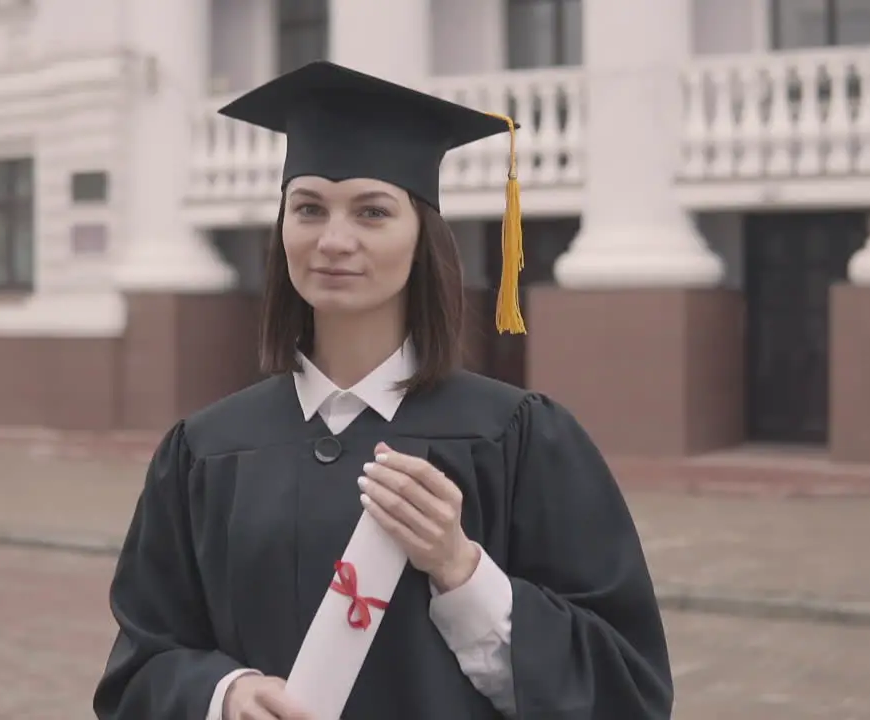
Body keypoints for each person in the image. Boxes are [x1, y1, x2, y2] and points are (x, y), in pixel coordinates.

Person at [93, 61, 672, 720]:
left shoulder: (517, 437)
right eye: (308, 208)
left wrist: (461, 570)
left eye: (372, 212)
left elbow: (627, 687)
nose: (334, 240)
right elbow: (140, 667)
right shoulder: (205, 451)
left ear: (423, 237)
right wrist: (222, 696)